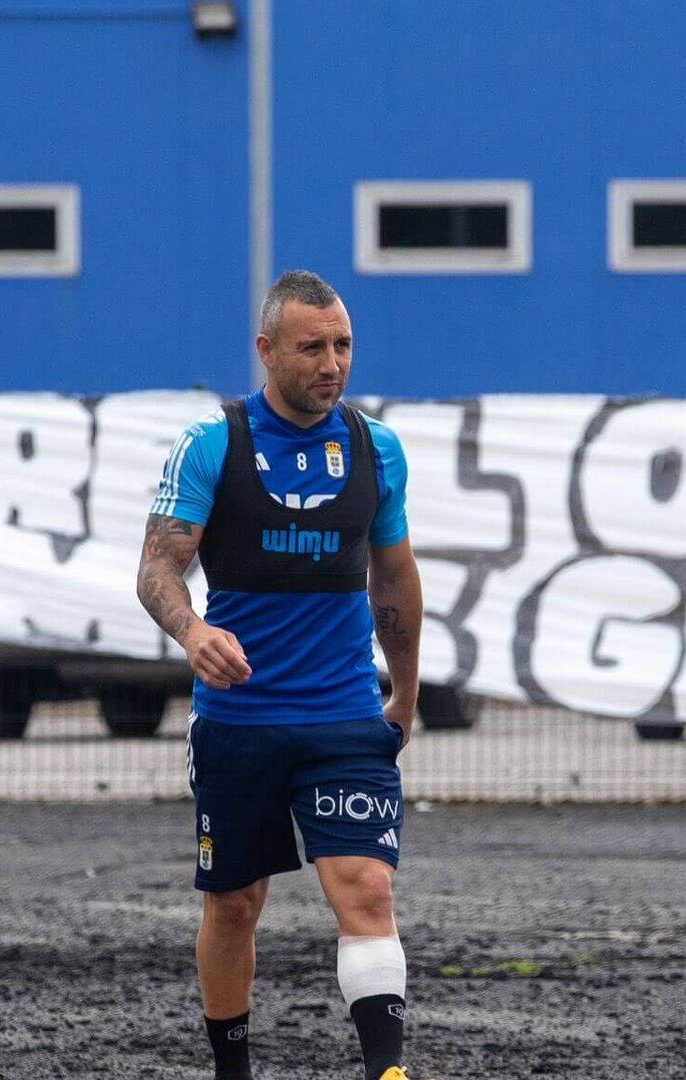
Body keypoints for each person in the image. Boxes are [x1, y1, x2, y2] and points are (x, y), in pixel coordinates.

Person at [136, 269, 424, 1080]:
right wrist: (193, 632)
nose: (332, 365)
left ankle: (388, 1071)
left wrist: (404, 693)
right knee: (234, 903)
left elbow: (394, 579)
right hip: (240, 721)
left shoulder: (375, 448)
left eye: (344, 346)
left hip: (344, 717)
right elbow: (157, 569)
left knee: (366, 889)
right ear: (266, 350)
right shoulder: (213, 444)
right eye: (312, 349)